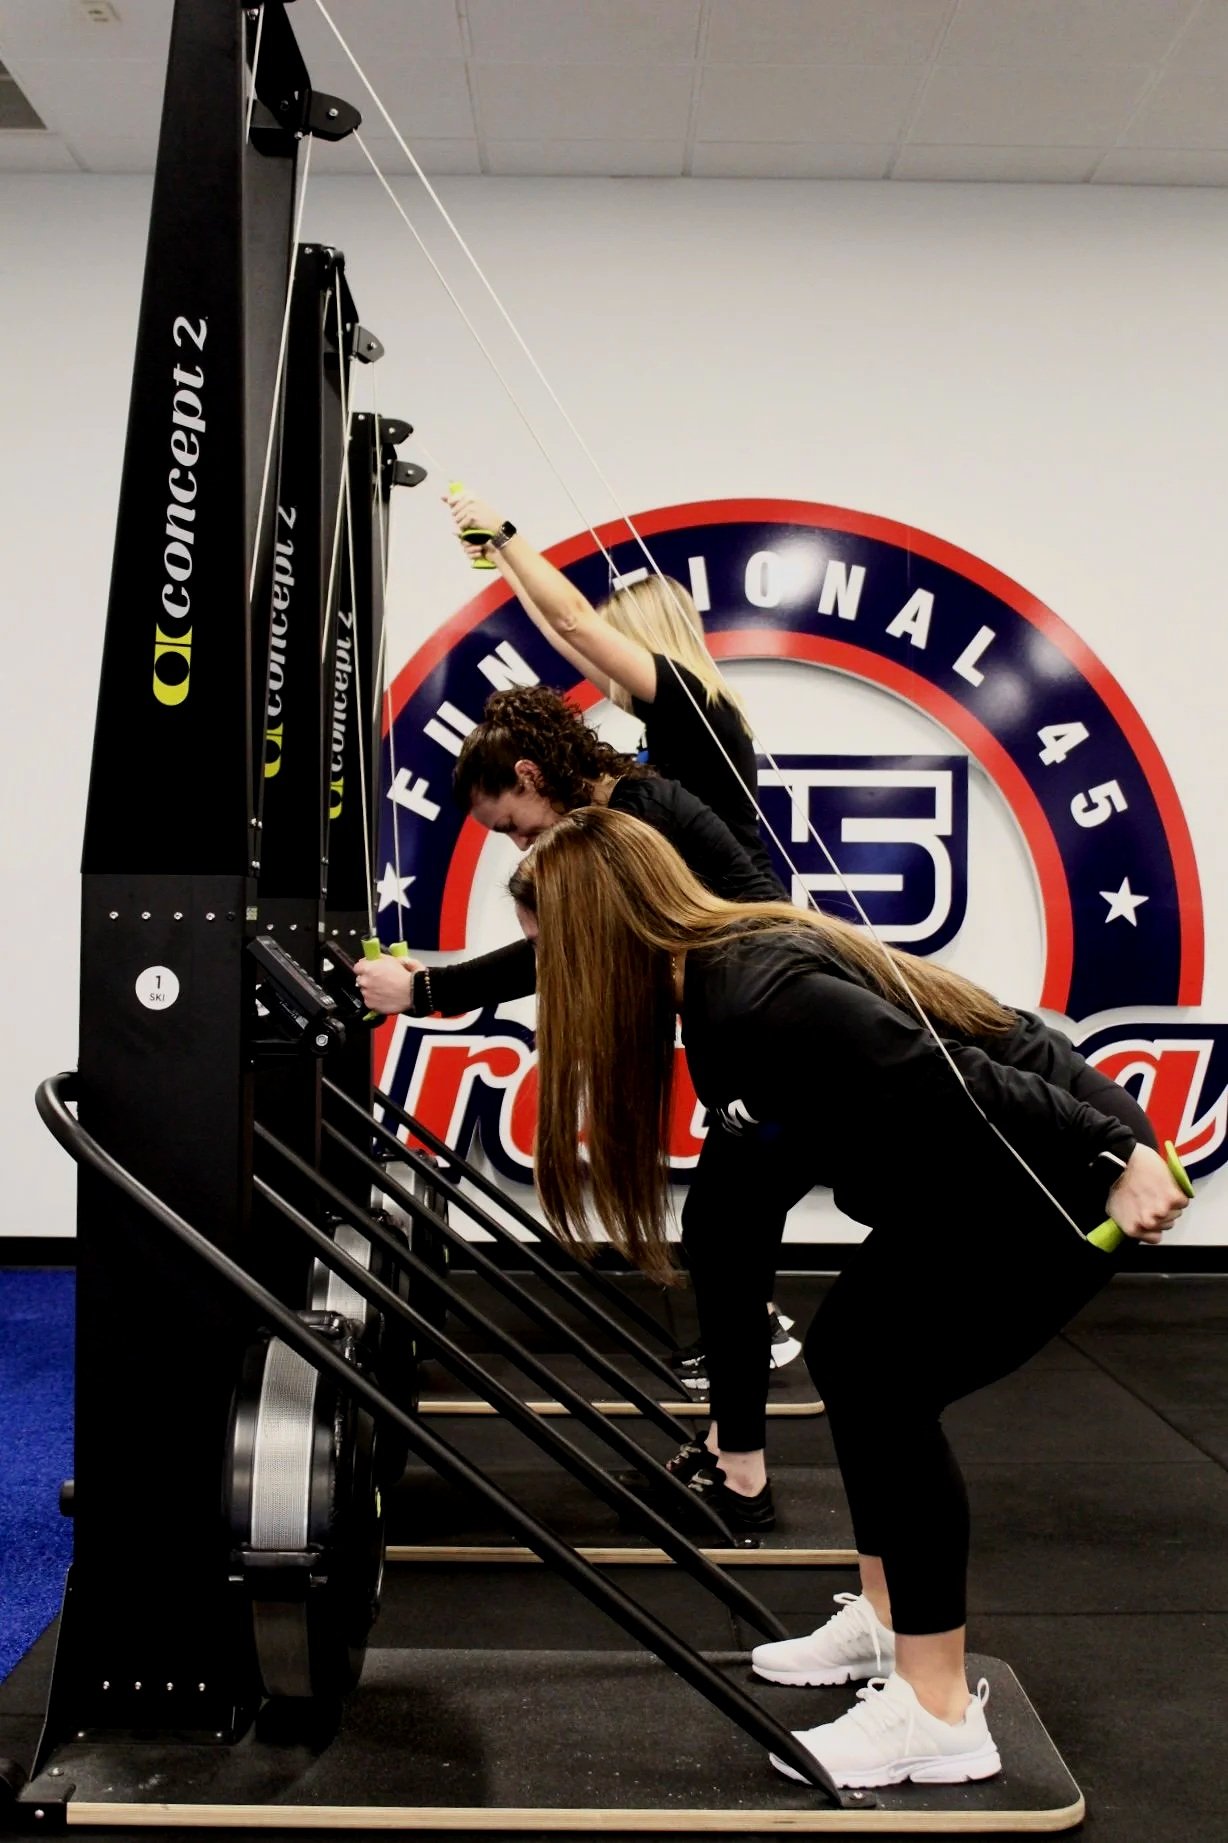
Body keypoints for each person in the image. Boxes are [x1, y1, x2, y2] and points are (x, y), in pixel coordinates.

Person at [506, 805, 1189, 1790]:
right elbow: (753, 1182)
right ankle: (885, 1620)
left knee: (887, 1387)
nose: (548, 983)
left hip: (1057, 1173)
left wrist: (1114, 1153)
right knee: (850, 1355)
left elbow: (953, 1072)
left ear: (604, 935)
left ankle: (939, 1713)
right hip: (981, 1178)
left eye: (549, 956)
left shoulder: (756, 991)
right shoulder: (710, 990)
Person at [355, 686, 799, 1527]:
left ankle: (742, 1478)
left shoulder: (635, 813)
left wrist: (428, 990)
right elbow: (567, 943)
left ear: (530, 772)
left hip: (771, 1037)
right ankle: (729, 1454)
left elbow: (561, 947)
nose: (520, 840)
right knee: (718, 1232)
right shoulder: (620, 808)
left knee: (730, 1239)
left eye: (512, 822)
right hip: (751, 1035)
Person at [446, 486, 779, 889]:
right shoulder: (676, 712)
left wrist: (504, 534)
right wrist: (502, 561)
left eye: (615, 639)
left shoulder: (688, 699)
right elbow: (560, 632)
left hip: (743, 911)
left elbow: (574, 623)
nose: (609, 657)